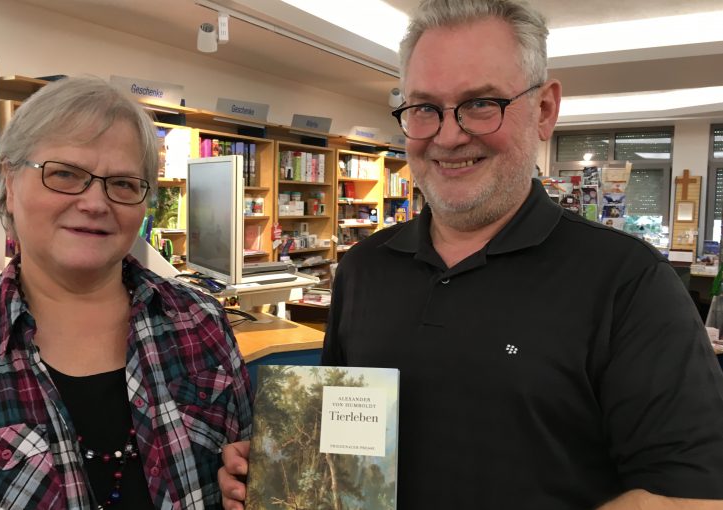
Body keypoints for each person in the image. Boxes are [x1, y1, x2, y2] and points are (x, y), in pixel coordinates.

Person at [219, 0, 723, 508]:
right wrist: (277, 471)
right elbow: (337, 448)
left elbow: (691, 495)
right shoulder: (363, 269)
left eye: (481, 103)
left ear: (544, 110)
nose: (448, 135)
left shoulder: (629, 281)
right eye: (424, 108)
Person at [0, 76, 252, 509]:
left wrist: (250, 484)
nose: (95, 203)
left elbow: (255, 468)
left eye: (123, 183)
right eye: (65, 174)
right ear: (10, 180)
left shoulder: (202, 324)